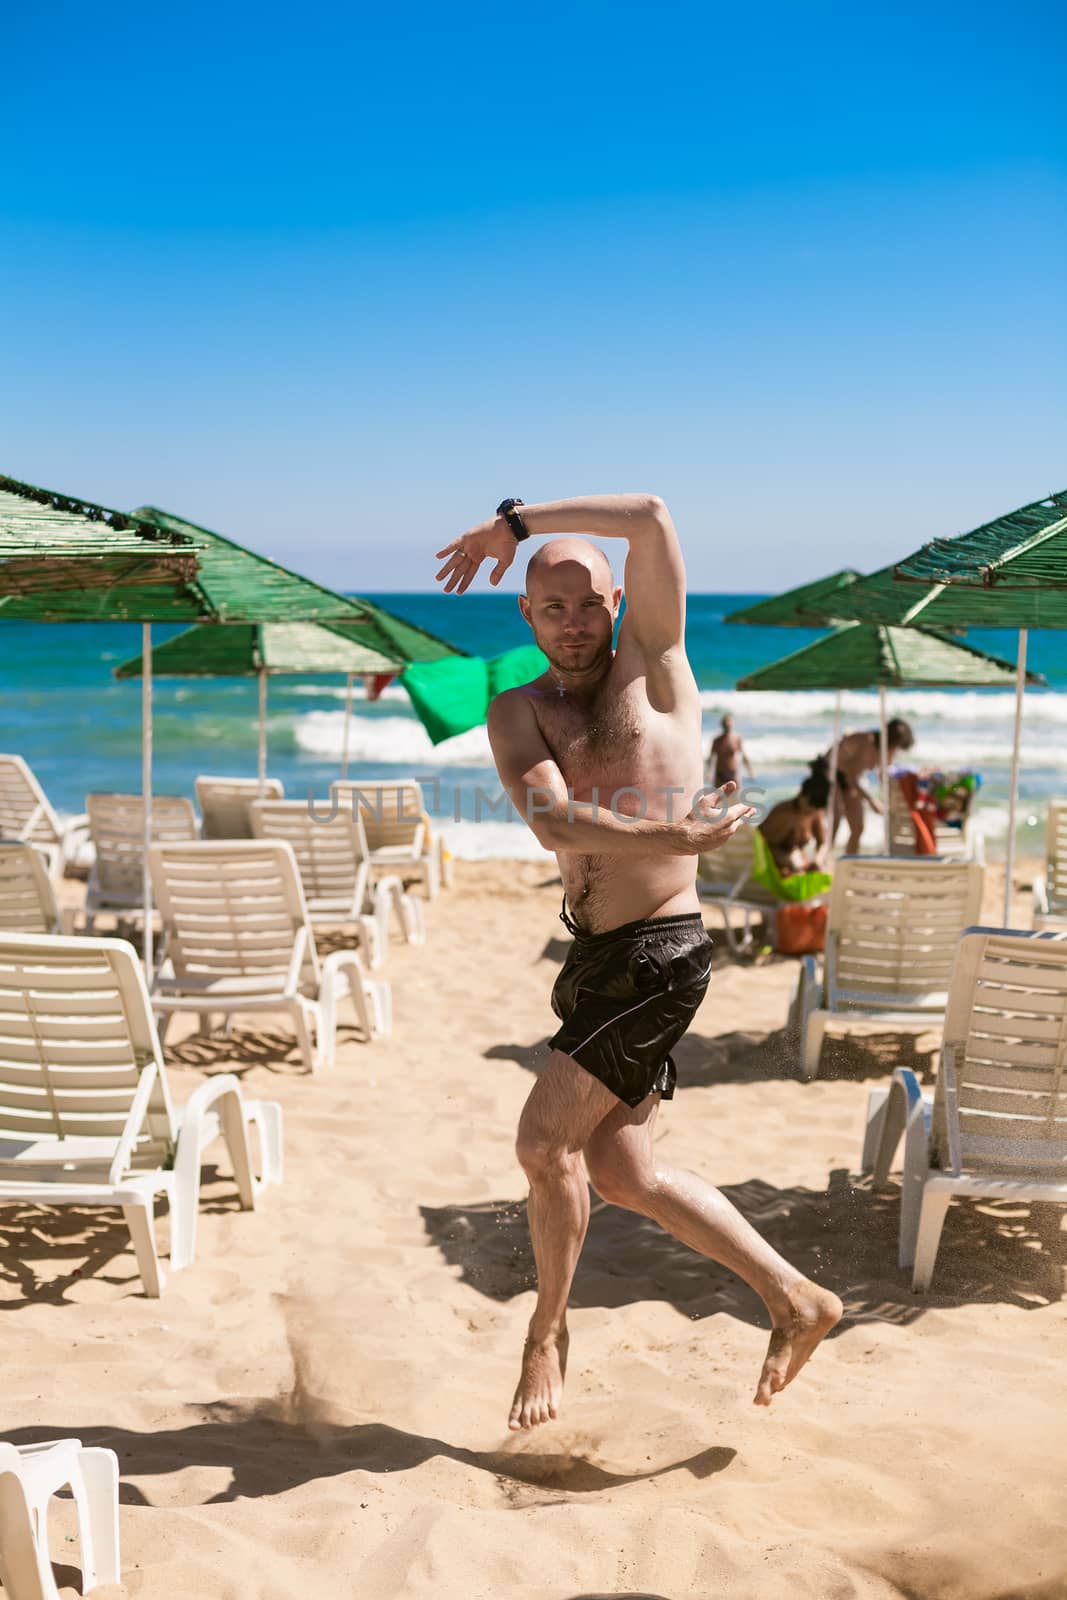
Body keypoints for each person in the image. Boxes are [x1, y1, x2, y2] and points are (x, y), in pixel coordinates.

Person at [434, 493, 842, 1431]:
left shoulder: (656, 670)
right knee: (625, 1175)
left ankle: (546, 1334)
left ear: (618, 601)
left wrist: (515, 523)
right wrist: (670, 829)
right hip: (593, 957)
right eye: (552, 607)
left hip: (658, 953)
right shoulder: (517, 712)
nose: (573, 622)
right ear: (525, 617)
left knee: (542, 1145)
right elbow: (547, 822)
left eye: (589, 603)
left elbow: (652, 515)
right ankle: (794, 1299)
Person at [829, 717, 915, 854]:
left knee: (858, 827)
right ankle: (823, 861)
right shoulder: (867, 743)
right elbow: (850, 776)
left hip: (848, 779)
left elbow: (882, 772)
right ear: (892, 742)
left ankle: (850, 862)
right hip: (830, 775)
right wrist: (871, 801)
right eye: (896, 747)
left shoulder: (881, 747)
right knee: (835, 822)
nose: (896, 752)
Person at [759, 756, 831, 876]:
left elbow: (823, 843)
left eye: (813, 811)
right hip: (770, 857)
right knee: (796, 866)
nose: (809, 813)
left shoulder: (815, 813)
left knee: (818, 870)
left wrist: (818, 859)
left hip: (793, 857)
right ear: (803, 796)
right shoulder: (783, 813)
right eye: (809, 809)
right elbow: (762, 842)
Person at [706, 712, 754, 791]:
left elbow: (744, 756)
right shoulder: (717, 740)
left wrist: (750, 770)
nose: (728, 725)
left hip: (733, 774)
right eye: (726, 723)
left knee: (735, 800)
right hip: (719, 775)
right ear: (722, 725)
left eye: (729, 723)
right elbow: (710, 758)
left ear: (732, 724)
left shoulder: (737, 739)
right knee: (719, 800)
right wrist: (707, 773)